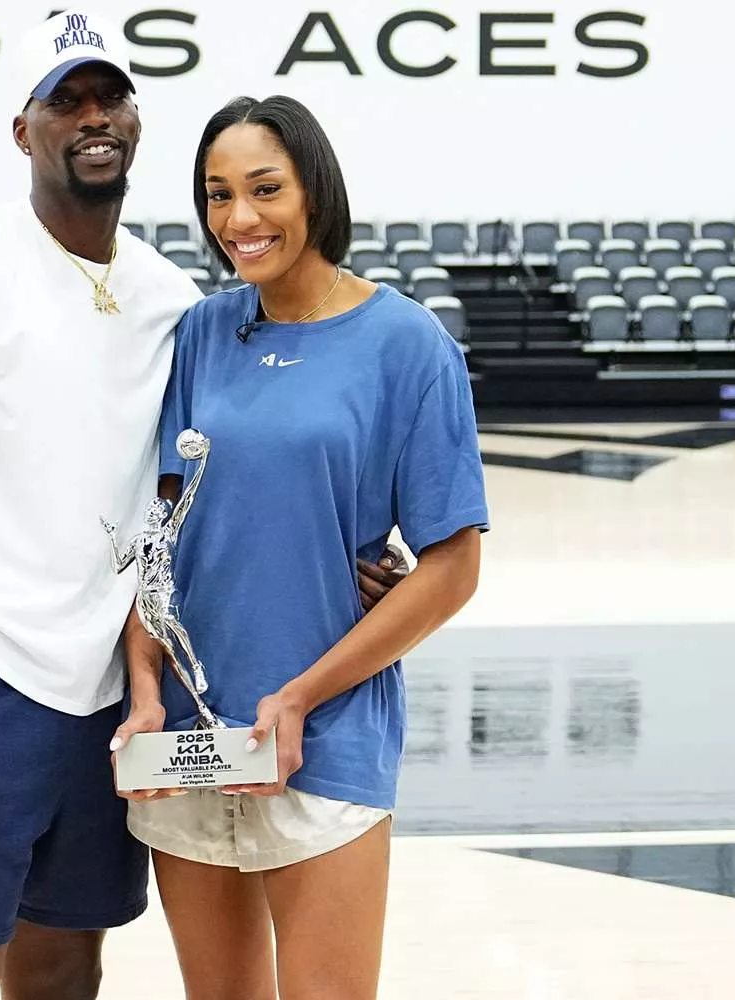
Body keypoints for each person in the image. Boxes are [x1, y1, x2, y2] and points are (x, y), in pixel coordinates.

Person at [0, 13, 404, 999]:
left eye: (111, 95)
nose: (93, 115)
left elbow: (198, 484)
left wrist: (338, 558)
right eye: (66, 99)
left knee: (66, 965)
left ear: (137, 121)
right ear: (23, 130)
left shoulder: (169, 297)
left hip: (105, 688)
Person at [118, 95, 489, 1000]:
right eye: (217, 195)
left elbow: (453, 566)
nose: (239, 220)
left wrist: (298, 698)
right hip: (193, 739)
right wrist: (142, 692)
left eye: (264, 189)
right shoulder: (203, 334)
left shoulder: (407, 345)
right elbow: (159, 540)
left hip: (323, 737)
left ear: (313, 191)